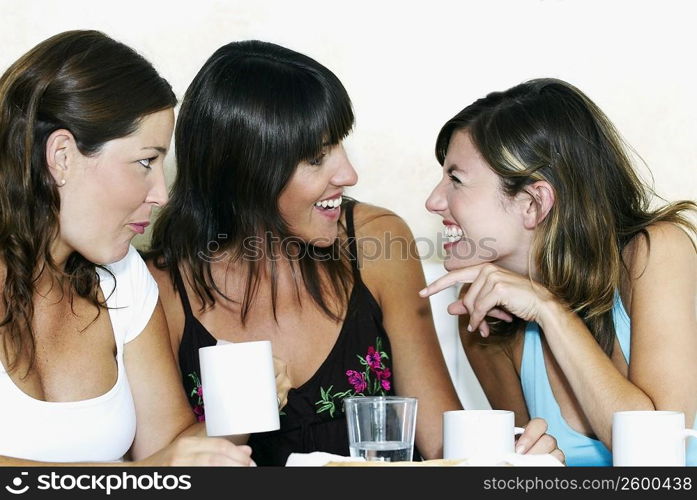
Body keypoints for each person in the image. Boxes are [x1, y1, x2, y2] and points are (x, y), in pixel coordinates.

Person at [146, 40, 563, 466]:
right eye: (315, 158)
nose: (348, 174)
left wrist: (511, 460)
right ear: (246, 171)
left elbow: (440, 444)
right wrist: (239, 410)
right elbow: (167, 469)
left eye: (340, 145)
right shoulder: (162, 288)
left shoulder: (376, 242)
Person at [0, 30, 253, 466]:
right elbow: (154, 471)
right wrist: (138, 475)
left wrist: (245, 402)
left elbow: (170, 455)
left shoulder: (124, 279)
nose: (161, 194)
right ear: (61, 155)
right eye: (145, 162)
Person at [420, 78, 697, 466]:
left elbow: (659, 460)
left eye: (456, 180)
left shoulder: (655, 252)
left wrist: (549, 310)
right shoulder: (486, 312)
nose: (433, 201)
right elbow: (526, 468)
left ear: (534, 202)